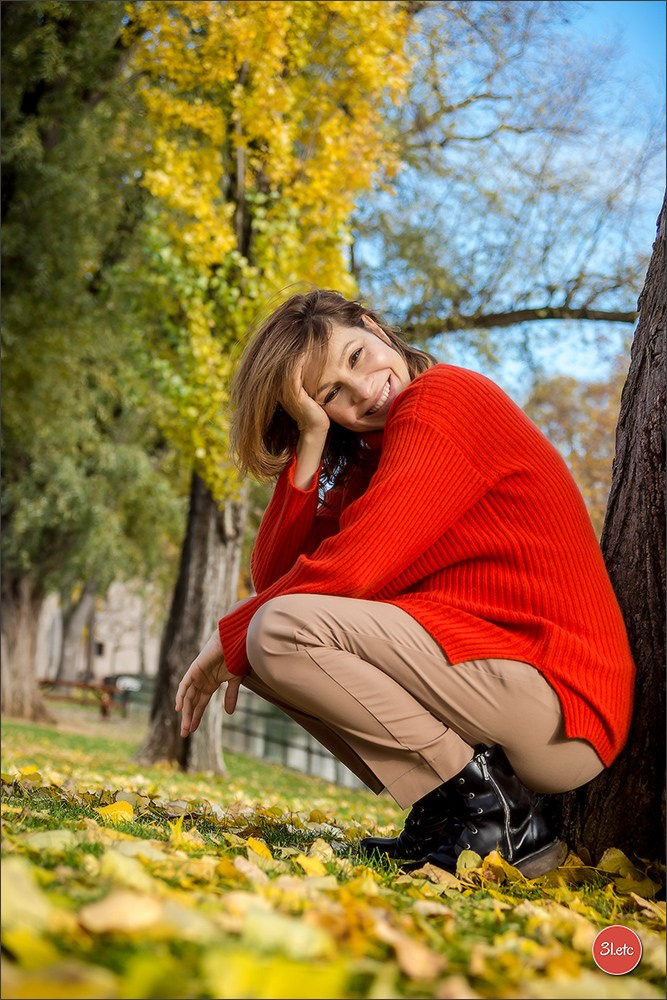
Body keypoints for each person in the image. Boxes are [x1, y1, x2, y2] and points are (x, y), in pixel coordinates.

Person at [175, 287, 635, 878]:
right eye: (330, 394)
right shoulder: (372, 455)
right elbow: (276, 578)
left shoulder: (445, 398)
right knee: (266, 642)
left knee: (275, 631)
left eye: (356, 356)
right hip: (499, 683)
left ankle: (501, 819)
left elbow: (346, 573)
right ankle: (450, 812)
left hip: (560, 700)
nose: (363, 390)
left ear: (374, 326)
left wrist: (228, 636)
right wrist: (310, 440)